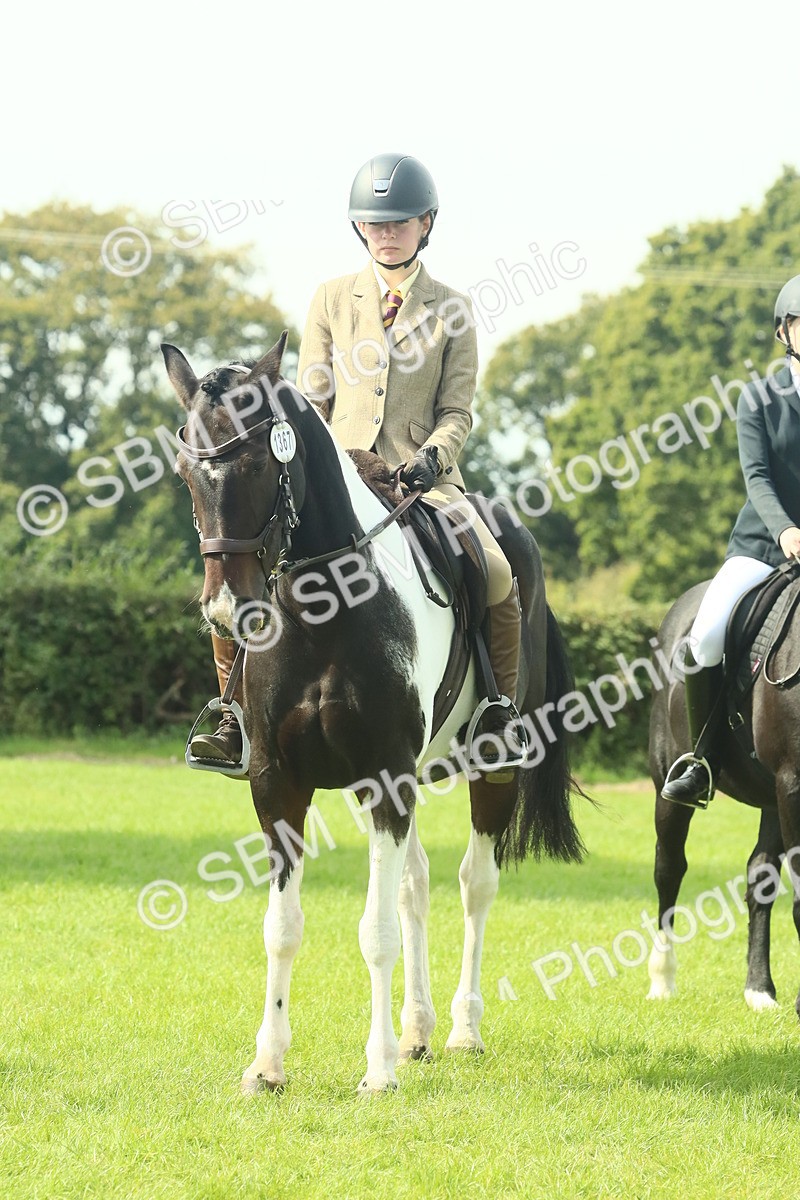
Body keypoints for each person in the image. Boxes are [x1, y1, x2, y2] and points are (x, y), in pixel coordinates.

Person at [192, 152, 526, 770]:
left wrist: (432, 459)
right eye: (376, 224)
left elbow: (458, 412)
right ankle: (232, 719)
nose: (388, 233)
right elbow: (310, 400)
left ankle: (496, 714)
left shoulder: (452, 307)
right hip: (338, 480)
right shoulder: (329, 298)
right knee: (233, 574)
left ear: (427, 223)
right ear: (359, 230)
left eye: (400, 222)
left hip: (421, 483)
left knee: (500, 574)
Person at [661, 274, 800, 809]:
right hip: (764, 549)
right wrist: (786, 530)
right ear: (783, 332)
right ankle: (701, 758)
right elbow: (758, 476)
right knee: (707, 634)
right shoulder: (761, 398)